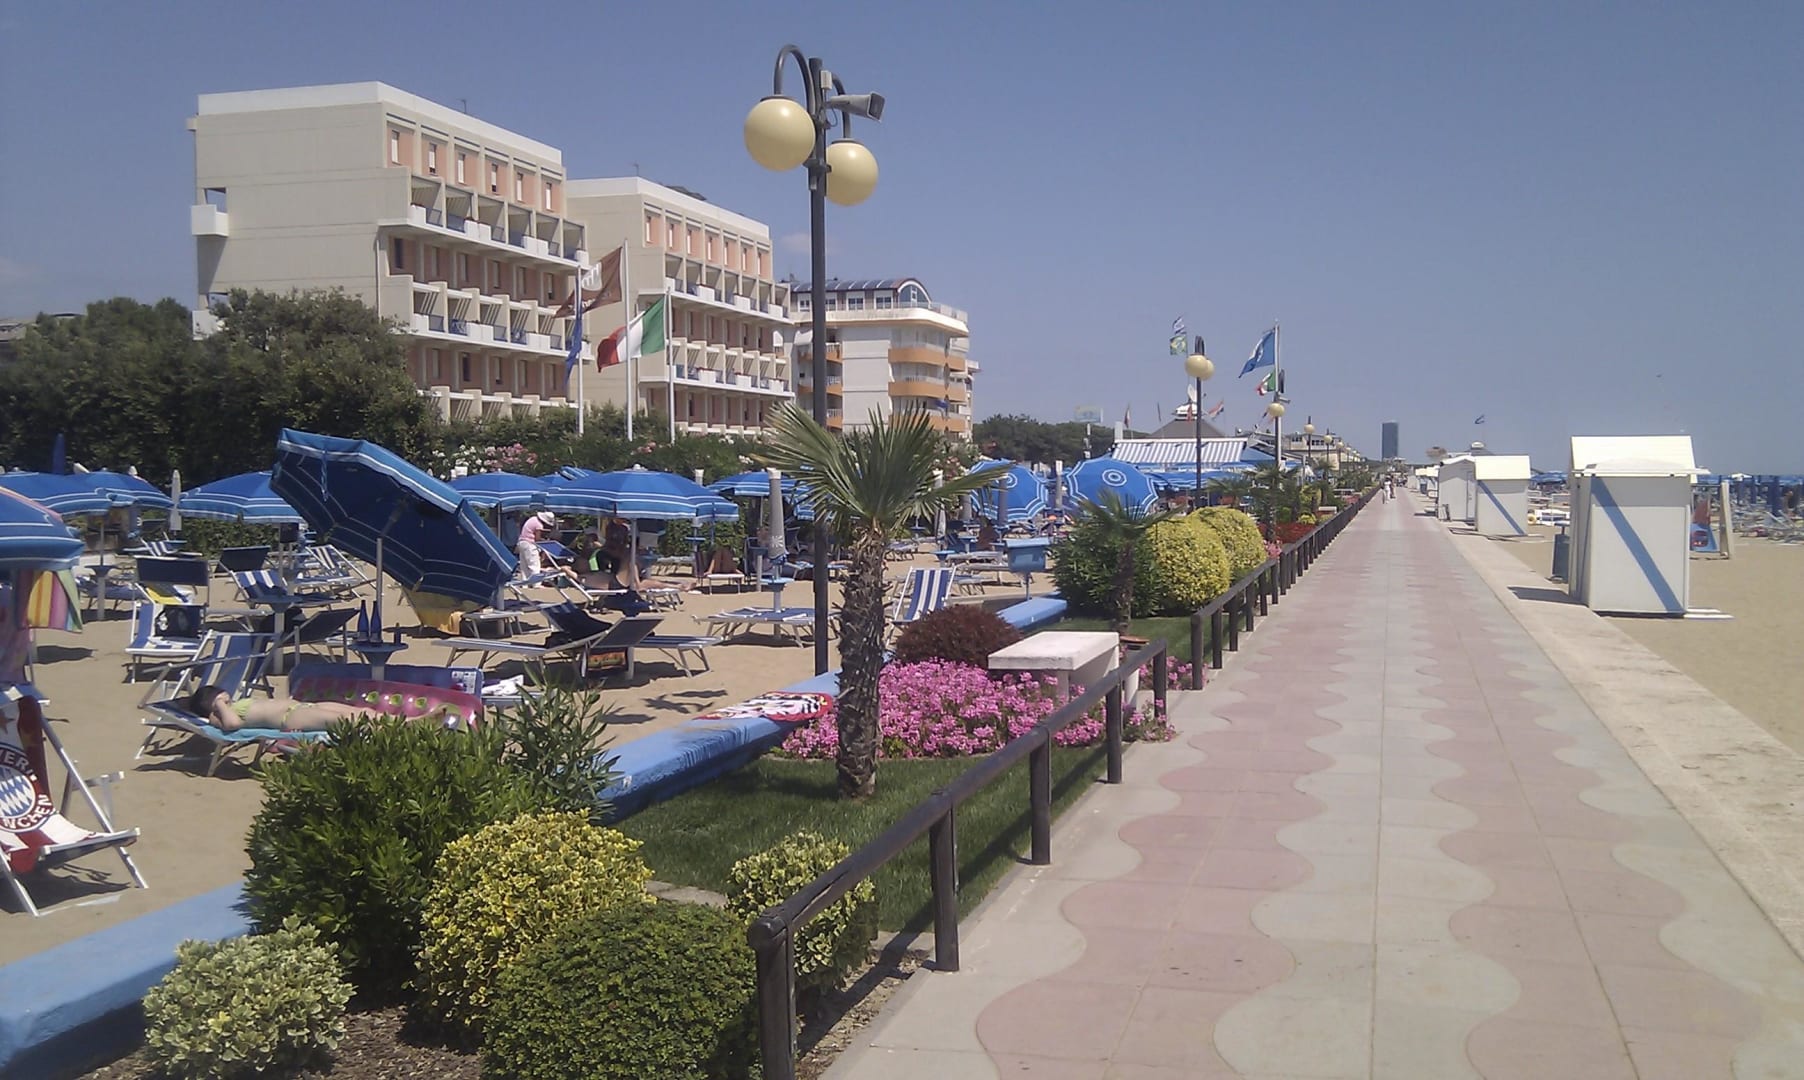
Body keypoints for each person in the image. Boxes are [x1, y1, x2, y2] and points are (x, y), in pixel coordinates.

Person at [187, 685, 463, 733]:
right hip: (292, 717)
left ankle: (415, 722)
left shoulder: (234, 704)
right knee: (351, 721)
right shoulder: (219, 715)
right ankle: (413, 728)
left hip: (304, 706)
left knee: (362, 712)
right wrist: (218, 705)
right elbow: (233, 725)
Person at [516, 510, 556, 578]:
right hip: (529, 544)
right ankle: (536, 582)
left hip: (522, 542)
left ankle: (525, 582)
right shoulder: (538, 524)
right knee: (534, 566)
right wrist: (545, 541)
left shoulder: (532, 519)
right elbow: (537, 539)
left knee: (524, 566)